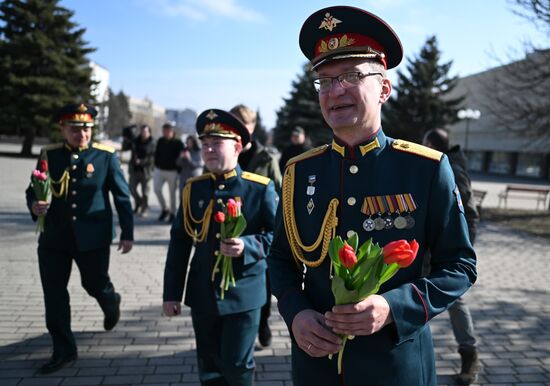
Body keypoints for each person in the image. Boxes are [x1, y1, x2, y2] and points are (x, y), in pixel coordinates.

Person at [267, 6, 477, 386]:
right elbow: (281, 259)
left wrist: (394, 306)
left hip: (395, 366)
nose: (335, 90)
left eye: (351, 75)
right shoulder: (300, 172)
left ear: (383, 88)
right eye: (325, 80)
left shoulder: (427, 168)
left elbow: (459, 266)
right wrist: (295, 313)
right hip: (317, 368)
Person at [163, 109, 278, 386]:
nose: (209, 150)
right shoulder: (194, 189)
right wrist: (171, 294)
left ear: (238, 147)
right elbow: (179, 242)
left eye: (217, 143)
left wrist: (248, 246)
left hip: (245, 294)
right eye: (205, 144)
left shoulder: (259, 189)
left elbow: (280, 237)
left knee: (237, 367)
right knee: (210, 368)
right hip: (203, 292)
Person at [25, 103, 134, 374]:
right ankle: (63, 350)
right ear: (62, 129)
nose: (82, 134)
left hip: (93, 237)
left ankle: (110, 301)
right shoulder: (49, 155)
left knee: (94, 284)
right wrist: (34, 205)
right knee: (54, 294)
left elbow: (122, 197)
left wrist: (128, 233)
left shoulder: (105, 156)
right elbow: (34, 188)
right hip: (55, 236)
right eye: (75, 129)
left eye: (86, 129)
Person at [423, 128, 480, 385]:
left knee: (455, 302)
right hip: (427, 249)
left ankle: (469, 355)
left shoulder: (451, 169)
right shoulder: (437, 165)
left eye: (425, 143)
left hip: (445, 253)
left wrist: (461, 251)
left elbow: (468, 213)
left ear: (433, 144)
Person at [230, 104, 282, 347]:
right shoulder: (227, 153)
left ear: (252, 127)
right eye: (234, 123)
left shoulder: (266, 157)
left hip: (261, 231)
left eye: (244, 124)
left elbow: (281, 190)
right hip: (231, 230)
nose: (240, 129)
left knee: (264, 282)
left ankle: (263, 321)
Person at [154, 122, 184, 222]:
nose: (166, 133)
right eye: (164, 131)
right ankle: (164, 209)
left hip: (172, 171)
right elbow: (156, 153)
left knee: (172, 194)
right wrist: (156, 164)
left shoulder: (178, 143)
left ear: (172, 131)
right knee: (156, 189)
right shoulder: (160, 141)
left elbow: (181, 157)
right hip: (160, 169)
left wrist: (179, 171)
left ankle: (172, 213)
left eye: (168, 131)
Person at [129, 124, 155, 217]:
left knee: (145, 193)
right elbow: (127, 148)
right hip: (134, 170)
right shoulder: (135, 141)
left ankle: (144, 209)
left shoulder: (152, 143)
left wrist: (141, 161)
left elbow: (153, 158)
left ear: (149, 132)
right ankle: (138, 203)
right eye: (142, 131)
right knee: (131, 189)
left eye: (145, 131)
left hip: (146, 171)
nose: (143, 133)